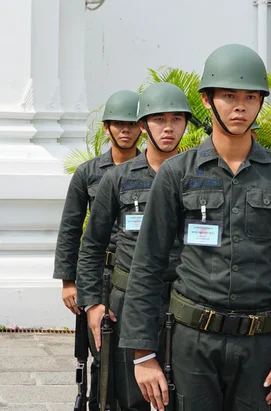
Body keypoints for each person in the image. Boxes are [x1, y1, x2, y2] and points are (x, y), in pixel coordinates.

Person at [119, 43, 271, 411]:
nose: (240, 106)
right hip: (193, 341)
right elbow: (148, 263)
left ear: (261, 102)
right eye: (228, 95)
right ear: (208, 101)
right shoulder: (178, 173)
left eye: (250, 96)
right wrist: (142, 354)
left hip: (259, 344)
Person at [77, 82, 191, 411]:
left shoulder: (198, 177)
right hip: (127, 299)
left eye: (176, 119)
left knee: (181, 394)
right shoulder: (119, 178)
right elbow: (93, 243)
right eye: (158, 120)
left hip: (183, 298)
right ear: (143, 126)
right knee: (129, 395)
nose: (168, 128)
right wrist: (93, 304)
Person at [53, 89, 141, 411]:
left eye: (131, 123)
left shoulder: (157, 171)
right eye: (118, 124)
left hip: (135, 273)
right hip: (99, 274)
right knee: (101, 354)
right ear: (106, 128)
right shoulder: (88, 173)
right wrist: (69, 282)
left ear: (141, 127)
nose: (125, 130)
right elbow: (71, 228)